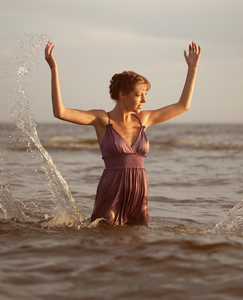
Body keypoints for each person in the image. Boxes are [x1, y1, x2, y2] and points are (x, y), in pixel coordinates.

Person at [45, 41, 201, 226]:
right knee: (103, 239)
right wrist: (54, 69)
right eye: (138, 94)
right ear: (122, 94)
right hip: (112, 192)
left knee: (139, 244)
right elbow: (60, 112)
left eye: (145, 95)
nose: (144, 99)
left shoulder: (144, 120)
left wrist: (192, 69)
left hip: (139, 194)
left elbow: (183, 106)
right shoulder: (102, 120)